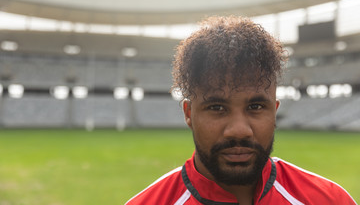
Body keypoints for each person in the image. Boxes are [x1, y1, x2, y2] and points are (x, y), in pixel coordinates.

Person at [126, 16, 357, 205]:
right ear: (188, 113)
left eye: (256, 107)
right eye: (217, 107)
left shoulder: (330, 200)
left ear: (274, 112)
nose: (239, 130)